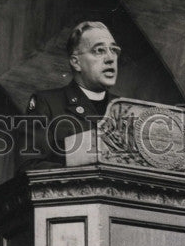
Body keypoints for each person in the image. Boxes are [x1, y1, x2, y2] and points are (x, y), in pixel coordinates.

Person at [16, 21, 120, 171]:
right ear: (76, 62)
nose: (111, 58)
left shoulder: (125, 108)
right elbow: (29, 166)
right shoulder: (48, 104)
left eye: (114, 50)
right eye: (99, 50)